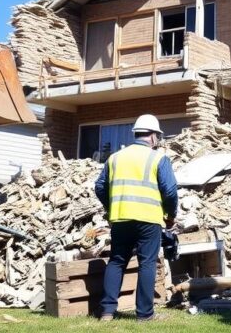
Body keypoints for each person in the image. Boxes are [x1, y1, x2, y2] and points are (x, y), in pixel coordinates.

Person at [94, 114, 178, 322]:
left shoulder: (115, 158)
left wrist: (110, 208)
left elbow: (100, 187)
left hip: (120, 218)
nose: (157, 140)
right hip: (148, 219)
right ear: (152, 136)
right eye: (157, 136)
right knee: (147, 263)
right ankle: (144, 315)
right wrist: (171, 216)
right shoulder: (158, 158)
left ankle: (107, 312)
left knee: (116, 261)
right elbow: (170, 191)